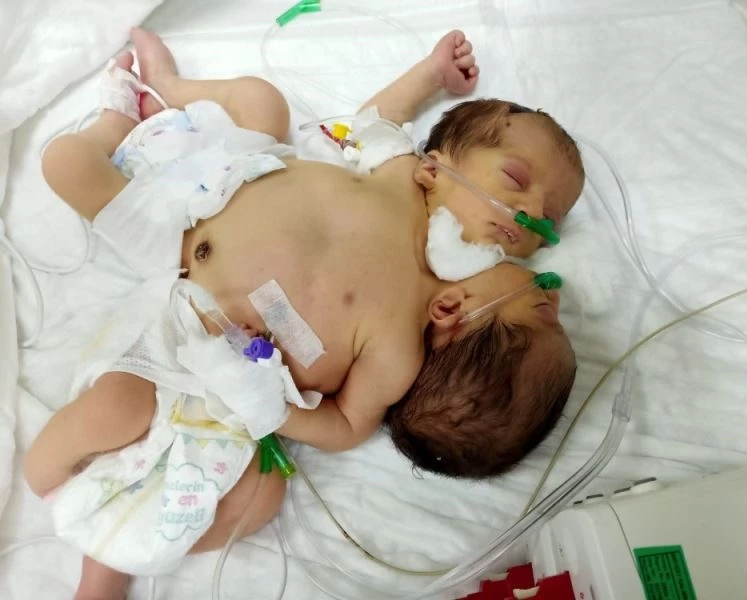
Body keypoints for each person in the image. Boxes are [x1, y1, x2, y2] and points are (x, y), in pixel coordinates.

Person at [23, 27, 576, 599]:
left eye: (549, 219)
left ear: (453, 311)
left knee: (254, 495)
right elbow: (378, 116)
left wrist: (270, 408)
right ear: (437, 168)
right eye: (516, 179)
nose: (531, 210)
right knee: (85, 155)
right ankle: (146, 100)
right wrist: (431, 74)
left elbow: (347, 426)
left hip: (202, 345)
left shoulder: (400, 347)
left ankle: (113, 557)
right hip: (189, 214)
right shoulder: (401, 172)